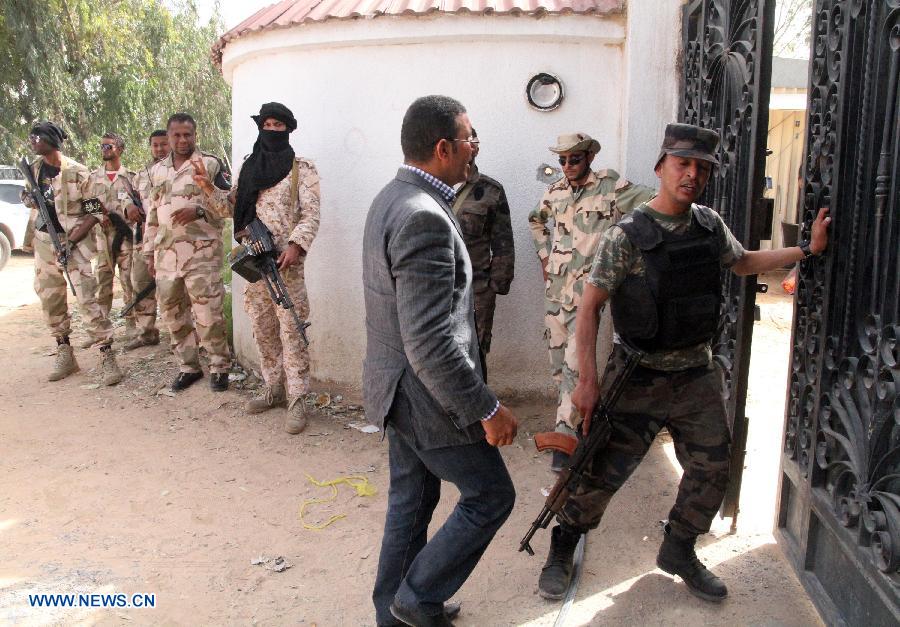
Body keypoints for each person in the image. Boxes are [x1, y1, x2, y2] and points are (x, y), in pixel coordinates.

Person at [537, 123, 831, 603]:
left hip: (696, 375)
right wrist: (585, 382)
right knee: (601, 472)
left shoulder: (709, 225)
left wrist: (807, 250)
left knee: (713, 467)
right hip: (637, 376)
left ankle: (678, 547)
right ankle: (563, 544)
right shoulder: (625, 236)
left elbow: (743, 262)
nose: (691, 174)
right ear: (661, 167)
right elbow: (589, 309)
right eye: (682, 164)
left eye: (701, 167)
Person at [363, 95, 518, 627]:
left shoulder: (392, 197)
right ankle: (416, 598)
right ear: (444, 147)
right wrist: (486, 408)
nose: (475, 149)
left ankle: (395, 613)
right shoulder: (422, 217)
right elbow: (429, 341)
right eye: (470, 138)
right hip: (426, 398)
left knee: (412, 500)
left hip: (395, 390)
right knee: (491, 496)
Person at [529, 132, 655, 471]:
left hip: (587, 294)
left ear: (589, 158)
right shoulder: (554, 191)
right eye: (562, 160)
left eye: (574, 159)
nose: (567, 166)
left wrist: (625, 251)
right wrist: (544, 256)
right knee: (560, 369)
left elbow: (653, 202)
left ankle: (565, 444)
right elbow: (535, 220)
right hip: (556, 291)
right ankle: (586, 425)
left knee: (575, 366)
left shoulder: (610, 185)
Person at [198, 102, 320, 434]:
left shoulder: (301, 170)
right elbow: (230, 207)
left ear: (288, 129)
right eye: (267, 124)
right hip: (254, 262)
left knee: (292, 332)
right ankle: (273, 388)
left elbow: (311, 214)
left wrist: (296, 245)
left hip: (285, 266)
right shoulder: (249, 167)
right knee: (263, 330)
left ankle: (297, 399)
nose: (272, 130)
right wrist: (208, 188)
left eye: (278, 125)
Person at [23, 121, 123, 385]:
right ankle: (64, 350)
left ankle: (106, 354)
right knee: (50, 298)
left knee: (87, 298)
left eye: (36, 137)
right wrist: (29, 199)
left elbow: (94, 210)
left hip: (73, 243)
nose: (32, 142)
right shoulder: (33, 170)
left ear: (50, 140)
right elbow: (28, 198)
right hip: (44, 242)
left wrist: (73, 240)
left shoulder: (78, 173)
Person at [143, 112, 232, 392]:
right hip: (166, 255)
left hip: (201, 256)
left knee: (208, 315)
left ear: (195, 135)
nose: (182, 140)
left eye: (188, 135)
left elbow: (229, 208)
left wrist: (200, 210)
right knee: (173, 313)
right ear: (168, 137)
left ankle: (219, 367)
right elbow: (152, 216)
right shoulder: (157, 171)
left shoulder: (210, 165)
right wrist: (149, 252)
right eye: (177, 135)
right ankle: (188, 366)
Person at [451, 127, 514, 381]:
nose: (470, 146)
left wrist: (494, 286)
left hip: (476, 289)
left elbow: (503, 243)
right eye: (463, 141)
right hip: (434, 286)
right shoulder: (430, 187)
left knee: (474, 353)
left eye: (473, 141)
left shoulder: (491, 191)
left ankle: (479, 414)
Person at [122, 130, 170, 351]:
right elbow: (128, 196)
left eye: (163, 144)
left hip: (171, 240)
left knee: (174, 290)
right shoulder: (141, 175)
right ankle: (147, 332)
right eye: (155, 145)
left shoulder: (179, 171)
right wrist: (128, 206)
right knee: (140, 285)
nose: (159, 149)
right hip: (144, 239)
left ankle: (184, 338)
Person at [87, 132, 137, 337]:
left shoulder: (131, 178)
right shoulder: (93, 178)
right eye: (102, 147)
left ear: (120, 149)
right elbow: (86, 200)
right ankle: (102, 326)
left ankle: (131, 322)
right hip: (103, 236)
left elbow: (138, 205)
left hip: (125, 236)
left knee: (128, 280)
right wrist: (99, 215)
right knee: (103, 281)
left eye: (109, 146)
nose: (104, 150)